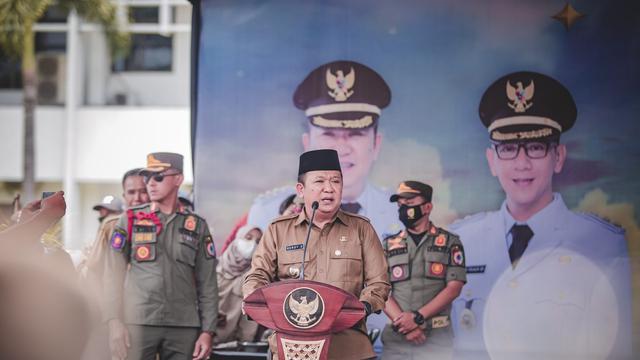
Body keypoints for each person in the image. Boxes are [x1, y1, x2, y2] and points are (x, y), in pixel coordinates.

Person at [450, 71, 632, 360]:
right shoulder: (461, 242)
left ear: (558, 157)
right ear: (492, 161)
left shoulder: (601, 243)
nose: (522, 164)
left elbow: (618, 350)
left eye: (535, 147)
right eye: (508, 149)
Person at [243, 149, 390, 360]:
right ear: (301, 190)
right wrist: (254, 299)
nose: (329, 189)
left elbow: (380, 282)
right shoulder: (278, 230)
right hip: (290, 348)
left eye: (336, 181)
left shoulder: (361, 229)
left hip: (348, 348)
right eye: (319, 181)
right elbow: (257, 275)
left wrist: (363, 307)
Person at [247, 60, 401, 239]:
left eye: (356, 134)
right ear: (307, 145)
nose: (342, 149)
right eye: (328, 134)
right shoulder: (270, 213)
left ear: (376, 144)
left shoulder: (400, 214)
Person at [103, 152, 219, 360]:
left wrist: (207, 331)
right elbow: (112, 275)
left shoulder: (197, 226)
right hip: (137, 322)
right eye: (147, 177)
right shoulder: (129, 219)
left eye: (158, 177)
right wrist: (114, 321)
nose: (150, 184)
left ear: (178, 179)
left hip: (183, 326)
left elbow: (208, 283)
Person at [382, 181, 466, 360]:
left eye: (410, 204)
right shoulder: (388, 245)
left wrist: (417, 318)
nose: (404, 209)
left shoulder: (450, 242)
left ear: (427, 207)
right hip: (397, 339)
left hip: (435, 338)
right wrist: (406, 326)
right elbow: (380, 290)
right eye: (400, 205)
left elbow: (454, 288)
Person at [81, 168, 150, 360]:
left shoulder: (168, 225)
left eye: (143, 191)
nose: (138, 198)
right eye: (131, 192)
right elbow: (93, 273)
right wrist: (111, 320)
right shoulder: (112, 226)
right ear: (124, 195)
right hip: (118, 321)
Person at [214, 224, 262, 345]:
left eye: (257, 241)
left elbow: (248, 325)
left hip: (229, 347)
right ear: (237, 239)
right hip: (200, 342)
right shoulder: (212, 267)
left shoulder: (254, 279)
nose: (252, 244)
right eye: (248, 237)